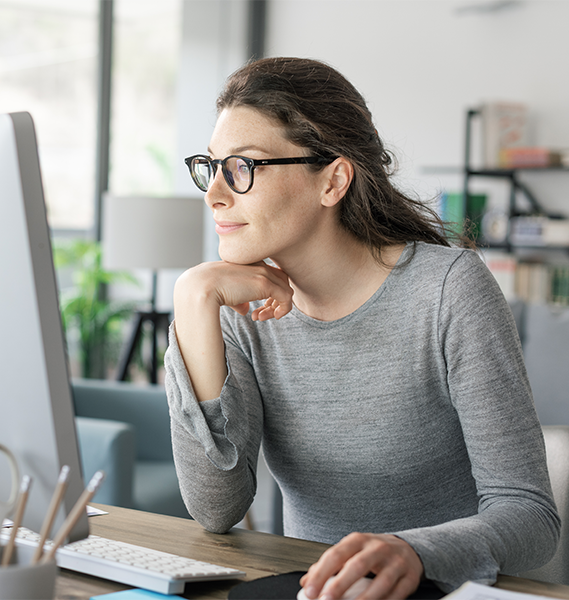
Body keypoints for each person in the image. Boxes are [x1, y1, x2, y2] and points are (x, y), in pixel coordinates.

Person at [164, 57, 559, 599]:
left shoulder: (448, 290)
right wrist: (192, 302)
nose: (214, 193)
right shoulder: (240, 310)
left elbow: (531, 516)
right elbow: (216, 509)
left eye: (243, 167)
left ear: (333, 180)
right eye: (212, 167)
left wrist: (414, 552)